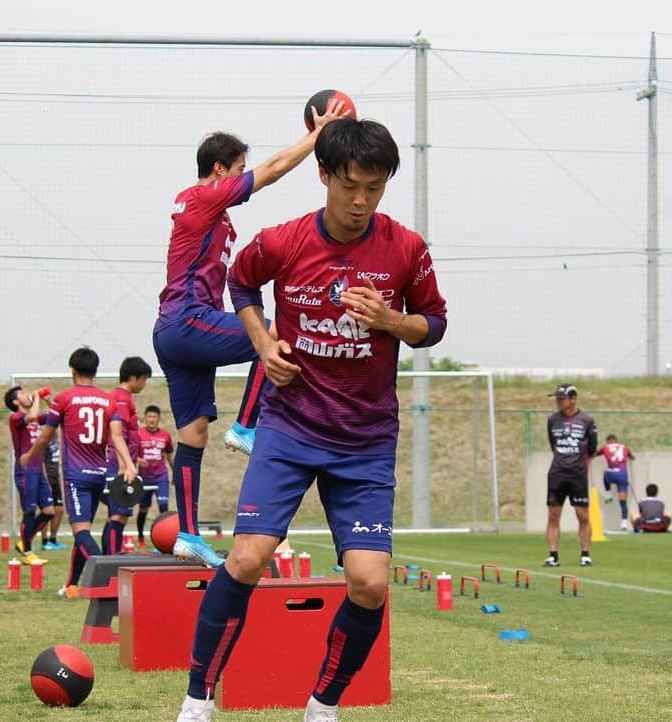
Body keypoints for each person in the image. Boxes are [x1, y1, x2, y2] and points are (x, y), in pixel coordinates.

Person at [176, 117, 447, 722]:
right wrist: (263, 342)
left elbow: (434, 324)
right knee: (246, 559)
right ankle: (197, 702)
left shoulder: (406, 249)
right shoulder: (283, 240)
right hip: (290, 428)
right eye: (350, 185)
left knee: (370, 582)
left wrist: (391, 321)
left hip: (365, 440)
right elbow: (241, 284)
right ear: (324, 175)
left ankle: (322, 707)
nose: (361, 201)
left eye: (375, 188)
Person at [152, 101, 350, 567]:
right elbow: (275, 169)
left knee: (193, 434)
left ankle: (187, 535)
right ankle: (245, 426)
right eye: (238, 169)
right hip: (187, 319)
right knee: (275, 331)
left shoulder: (202, 210)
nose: (244, 176)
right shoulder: (204, 197)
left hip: (175, 330)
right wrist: (318, 136)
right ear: (220, 170)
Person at [21, 347, 132, 598]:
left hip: (76, 477)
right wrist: (129, 464)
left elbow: (46, 434)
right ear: (95, 371)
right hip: (99, 475)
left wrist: (29, 455)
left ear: (72, 370)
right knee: (82, 531)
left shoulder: (63, 399)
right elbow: (117, 436)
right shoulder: (109, 400)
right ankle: (71, 584)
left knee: (81, 532)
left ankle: (112, 576)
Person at [543, 384, 598, 568]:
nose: (558, 402)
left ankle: (585, 555)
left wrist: (580, 466)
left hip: (578, 475)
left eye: (562, 398)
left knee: (582, 515)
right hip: (557, 473)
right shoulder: (552, 420)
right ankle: (553, 555)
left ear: (573, 399)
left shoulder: (587, 421)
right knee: (553, 515)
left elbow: (592, 449)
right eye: (557, 398)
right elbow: (553, 445)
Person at [103, 356, 150, 554]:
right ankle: (110, 562)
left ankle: (107, 556)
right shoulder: (121, 398)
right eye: (143, 379)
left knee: (115, 515)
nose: (144, 384)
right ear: (132, 377)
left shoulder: (123, 397)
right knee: (119, 516)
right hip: (119, 465)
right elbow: (118, 434)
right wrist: (125, 465)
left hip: (123, 462)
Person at [4, 386, 54, 565]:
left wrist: (49, 401)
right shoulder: (16, 418)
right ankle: (27, 552)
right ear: (16, 402)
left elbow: (53, 417)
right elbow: (32, 416)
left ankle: (24, 542)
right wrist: (36, 397)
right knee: (29, 511)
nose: (28, 395)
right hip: (25, 471)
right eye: (22, 395)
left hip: (38, 471)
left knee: (49, 511)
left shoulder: (33, 419)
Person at [136, 404, 173, 545]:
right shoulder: (139, 434)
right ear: (145, 418)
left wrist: (175, 472)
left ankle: (166, 538)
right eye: (149, 416)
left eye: (154, 417)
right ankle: (140, 537)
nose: (152, 419)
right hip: (144, 478)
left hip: (160, 477)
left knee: (164, 506)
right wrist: (139, 460)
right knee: (143, 509)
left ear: (159, 418)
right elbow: (131, 454)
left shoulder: (165, 436)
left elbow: (169, 455)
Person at [596, 433, 635, 531]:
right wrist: (631, 458)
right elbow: (632, 457)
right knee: (622, 501)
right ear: (616, 440)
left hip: (611, 474)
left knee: (605, 474)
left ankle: (609, 495)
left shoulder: (605, 447)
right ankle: (624, 523)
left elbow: (595, 454)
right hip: (622, 475)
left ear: (608, 441)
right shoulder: (624, 447)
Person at [39, 437, 67, 551]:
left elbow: (57, 463)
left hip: (55, 480)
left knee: (59, 510)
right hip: (47, 481)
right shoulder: (43, 439)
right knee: (46, 511)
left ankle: (53, 539)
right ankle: (44, 541)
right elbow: (40, 462)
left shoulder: (56, 440)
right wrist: (45, 482)